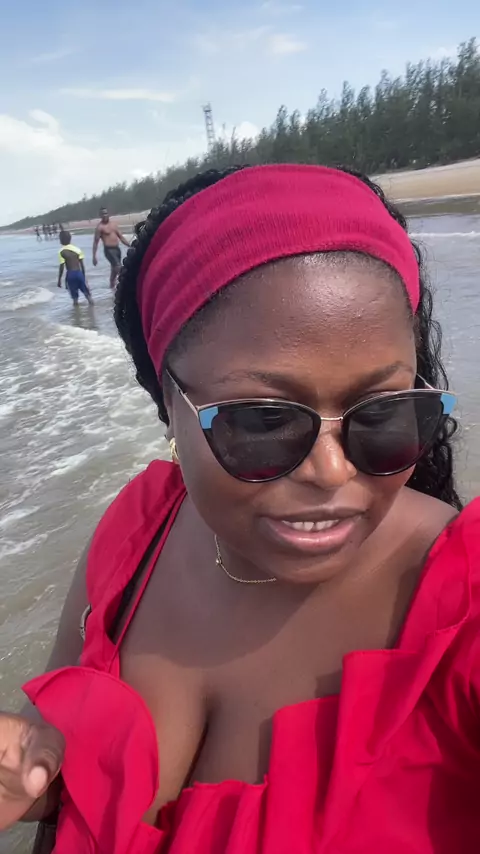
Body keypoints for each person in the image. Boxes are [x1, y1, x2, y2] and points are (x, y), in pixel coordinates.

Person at [1, 165, 479, 854]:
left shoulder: (465, 601)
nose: (332, 472)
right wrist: (32, 774)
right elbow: (50, 744)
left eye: (383, 412)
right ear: (166, 401)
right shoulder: (138, 529)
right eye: (263, 420)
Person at [92, 206, 130, 290]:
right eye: (103, 214)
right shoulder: (100, 227)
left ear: (108, 214)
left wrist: (130, 245)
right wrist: (94, 257)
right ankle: (126, 286)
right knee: (118, 267)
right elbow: (95, 243)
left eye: (106, 213)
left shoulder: (113, 225)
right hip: (109, 250)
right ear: (100, 215)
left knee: (114, 270)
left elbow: (121, 237)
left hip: (117, 249)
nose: (105, 215)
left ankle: (111, 288)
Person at [57, 230, 93, 306]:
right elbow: (82, 265)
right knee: (87, 295)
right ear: (70, 239)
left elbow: (61, 267)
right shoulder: (77, 249)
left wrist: (59, 280)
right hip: (79, 273)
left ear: (61, 240)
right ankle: (92, 309)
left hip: (70, 275)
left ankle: (76, 312)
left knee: (75, 298)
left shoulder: (61, 252)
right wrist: (84, 277)